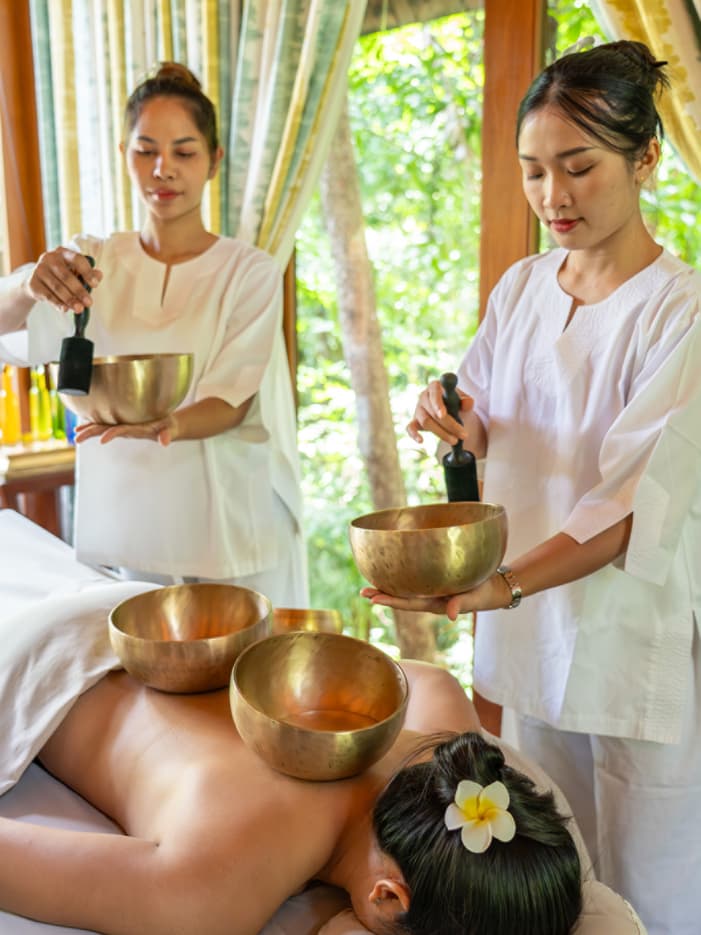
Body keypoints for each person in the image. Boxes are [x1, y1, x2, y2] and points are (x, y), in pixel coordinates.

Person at [362, 40, 701, 935]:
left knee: (650, 886)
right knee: (557, 879)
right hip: (533, 635)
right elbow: (493, 421)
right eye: (533, 170)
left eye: (578, 167)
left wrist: (501, 584)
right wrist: (454, 420)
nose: (552, 195)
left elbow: (633, 506)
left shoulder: (681, 309)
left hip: (626, 637)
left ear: (645, 158)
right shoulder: (521, 287)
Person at [0, 643, 583, 935]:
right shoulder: (214, 893)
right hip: (31, 664)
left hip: (141, 618)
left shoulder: (444, 742)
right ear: (387, 898)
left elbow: (431, 679)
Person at [0, 63, 307, 607]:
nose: (163, 170)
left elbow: (231, 400)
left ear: (214, 160)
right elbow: (10, 330)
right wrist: (28, 282)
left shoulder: (249, 271)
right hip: (130, 527)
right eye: (146, 151)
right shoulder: (92, 259)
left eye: (184, 152)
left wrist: (167, 424)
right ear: (124, 154)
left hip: (230, 532)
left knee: (246, 661)